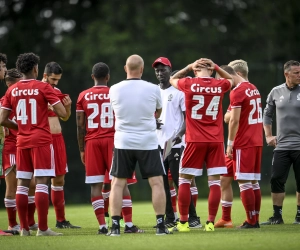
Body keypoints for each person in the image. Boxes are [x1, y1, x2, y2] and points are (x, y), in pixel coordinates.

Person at [0, 52, 67, 236]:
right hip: (41, 140)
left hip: (21, 141)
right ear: (36, 69)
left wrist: (20, 127)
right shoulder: (42, 87)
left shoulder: (11, 90)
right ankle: (43, 229)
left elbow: (2, 119)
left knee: (22, 184)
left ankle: (23, 229)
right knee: (42, 183)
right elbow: (62, 112)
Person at [76, 62, 144, 234]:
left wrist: (81, 149)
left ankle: (102, 226)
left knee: (95, 186)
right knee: (122, 182)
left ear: (93, 77)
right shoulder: (116, 92)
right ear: (108, 77)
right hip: (114, 141)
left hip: (91, 143)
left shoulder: (83, 95)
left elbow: (80, 126)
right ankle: (128, 225)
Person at [108, 54, 170, 236]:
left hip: (123, 141)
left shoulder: (114, 89)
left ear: (125, 69)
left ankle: (114, 228)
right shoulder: (153, 89)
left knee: (117, 184)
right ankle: (160, 226)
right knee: (157, 183)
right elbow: (158, 112)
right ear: (142, 70)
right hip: (148, 141)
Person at [169, 58, 233, 232]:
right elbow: (231, 80)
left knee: (184, 180)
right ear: (211, 70)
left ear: (196, 71)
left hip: (194, 140)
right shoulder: (219, 85)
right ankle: (210, 223)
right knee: (214, 183)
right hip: (215, 141)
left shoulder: (189, 83)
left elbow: (172, 79)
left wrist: (189, 66)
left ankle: (183, 223)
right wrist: (218, 67)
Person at [152, 57, 201, 228]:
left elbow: (188, 118)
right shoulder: (154, 92)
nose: (160, 73)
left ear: (169, 69)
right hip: (158, 144)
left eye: (163, 70)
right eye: (157, 70)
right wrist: (153, 122)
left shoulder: (179, 91)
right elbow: (151, 116)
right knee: (163, 183)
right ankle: (170, 219)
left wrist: (180, 134)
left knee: (181, 183)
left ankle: (193, 218)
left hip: (176, 143)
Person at [215, 59, 260, 228]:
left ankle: (251, 221)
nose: (225, 83)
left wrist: (230, 143)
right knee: (237, 180)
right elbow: (230, 116)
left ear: (236, 74)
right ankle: (235, 218)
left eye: (226, 79)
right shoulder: (253, 88)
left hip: (243, 142)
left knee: (245, 181)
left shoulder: (238, 92)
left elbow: (232, 120)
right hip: (254, 140)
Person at [262, 60, 300, 225]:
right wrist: (269, 136)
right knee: (276, 179)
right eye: (296, 73)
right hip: (281, 146)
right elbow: (267, 114)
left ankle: (299, 216)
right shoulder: (275, 92)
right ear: (287, 74)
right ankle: (277, 217)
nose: (299, 75)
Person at [43, 62, 80, 229]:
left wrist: (68, 107)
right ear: (44, 75)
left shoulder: (56, 92)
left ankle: (61, 220)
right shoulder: (36, 90)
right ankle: (32, 223)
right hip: (42, 139)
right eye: (53, 79)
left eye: (57, 79)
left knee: (59, 180)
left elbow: (65, 118)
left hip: (57, 139)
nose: (55, 83)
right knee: (36, 182)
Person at [1, 69, 38, 232]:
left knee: (32, 184)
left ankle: (29, 222)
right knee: (12, 186)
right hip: (11, 146)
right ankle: (13, 224)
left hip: (25, 144)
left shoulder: (24, 97)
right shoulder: (4, 100)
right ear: (10, 84)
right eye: (19, 82)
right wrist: (19, 128)